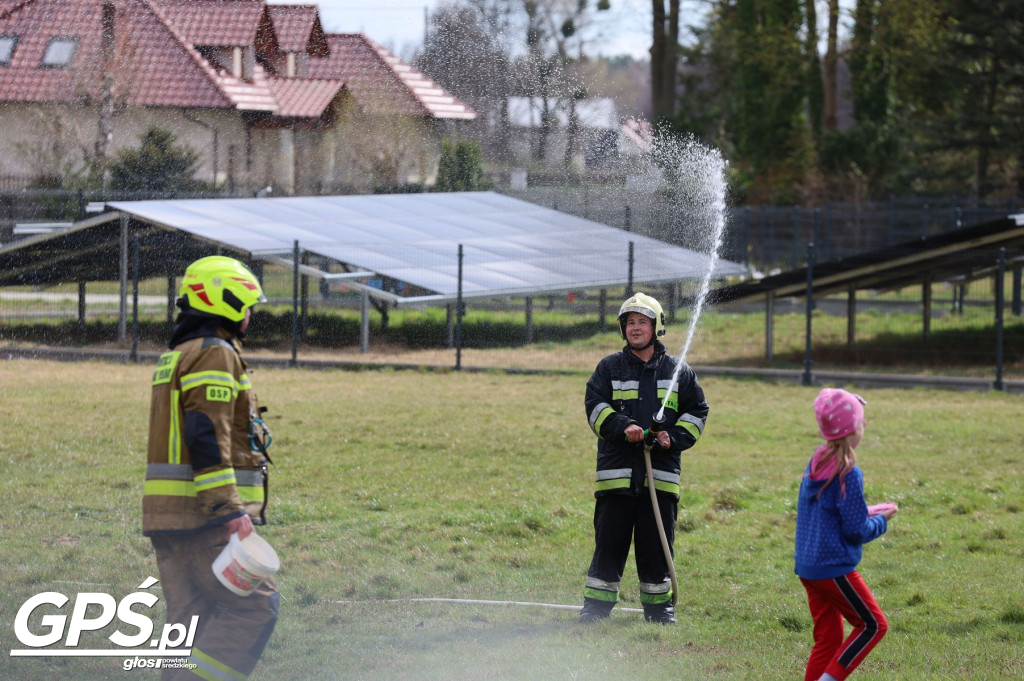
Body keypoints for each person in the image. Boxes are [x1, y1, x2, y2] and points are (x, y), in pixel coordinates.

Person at [144, 255, 278, 680]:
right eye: (246, 304)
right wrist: (229, 509)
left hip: (168, 517)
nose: (250, 314)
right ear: (225, 302)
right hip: (204, 517)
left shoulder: (180, 352)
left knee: (189, 624)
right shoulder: (214, 355)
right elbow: (206, 432)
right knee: (255, 609)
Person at [579, 292, 710, 624]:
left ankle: (658, 610)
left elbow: (697, 411)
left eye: (642, 322)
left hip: (659, 479)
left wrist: (672, 437)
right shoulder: (608, 368)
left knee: (656, 547)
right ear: (623, 329)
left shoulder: (679, 372)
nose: (636, 328)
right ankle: (595, 609)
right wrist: (624, 427)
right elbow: (594, 407)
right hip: (617, 477)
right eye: (630, 323)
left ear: (657, 326)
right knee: (609, 543)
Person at [794, 388, 898, 681]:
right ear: (852, 430)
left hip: (808, 567)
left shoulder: (817, 459)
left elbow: (841, 513)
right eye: (863, 422)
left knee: (828, 641)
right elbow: (856, 530)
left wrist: (868, 510)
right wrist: (883, 520)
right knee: (873, 625)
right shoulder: (848, 471)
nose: (865, 427)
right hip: (833, 567)